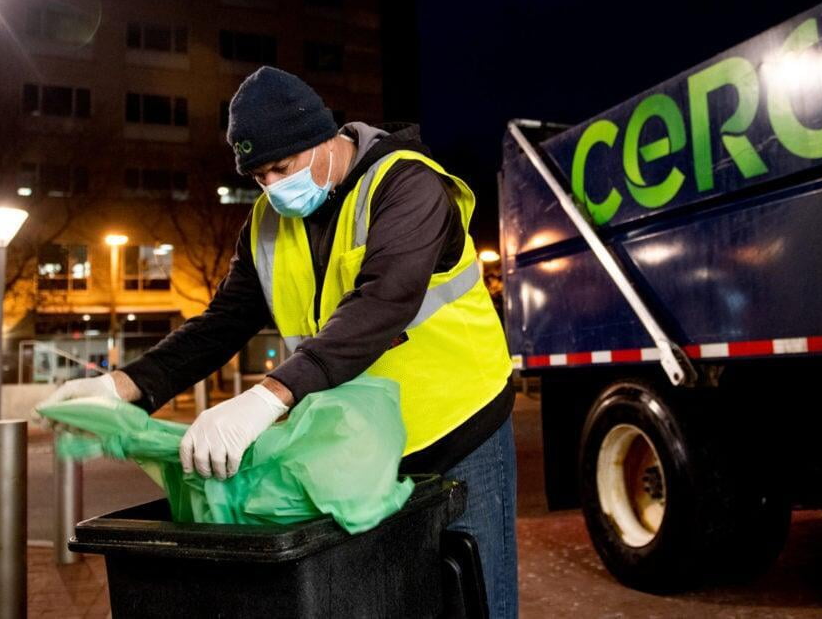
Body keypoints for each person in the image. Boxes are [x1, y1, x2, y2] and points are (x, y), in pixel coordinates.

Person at [34, 66, 518, 617]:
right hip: (363, 444)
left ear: (323, 137)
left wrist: (268, 396)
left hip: (460, 429)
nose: (270, 187)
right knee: (395, 598)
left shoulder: (407, 185)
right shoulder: (267, 223)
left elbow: (382, 305)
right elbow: (221, 323)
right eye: (257, 177)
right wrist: (125, 386)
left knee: (475, 599)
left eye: (280, 168)